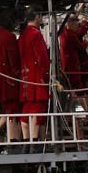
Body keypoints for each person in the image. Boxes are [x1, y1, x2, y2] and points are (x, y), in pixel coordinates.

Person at [0, 8, 21, 143]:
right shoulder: (9, 37)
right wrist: (19, 76)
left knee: (9, 109)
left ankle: (7, 137)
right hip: (9, 81)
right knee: (13, 109)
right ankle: (9, 138)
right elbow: (14, 60)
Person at [18, 9, 51, 143]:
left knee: (26, 112)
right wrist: (47, 75)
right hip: (37, 77)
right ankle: (35, 143)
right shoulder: (36, 34)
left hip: (25, 77)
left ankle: (27, 144)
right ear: (37, 16)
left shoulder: (22, 35)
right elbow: (42, 57)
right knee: (37, 110)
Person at [59, 9, 88, 112]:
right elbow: (81, 47)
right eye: (77, 25)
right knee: (79, 90)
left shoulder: (63, 32)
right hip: (73, 67)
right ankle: (87, 110)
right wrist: (86, 42)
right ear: (72, 24)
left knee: (71, 91)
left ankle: (68, 110)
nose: (78, 27)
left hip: (66, 66)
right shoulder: (71, 35)